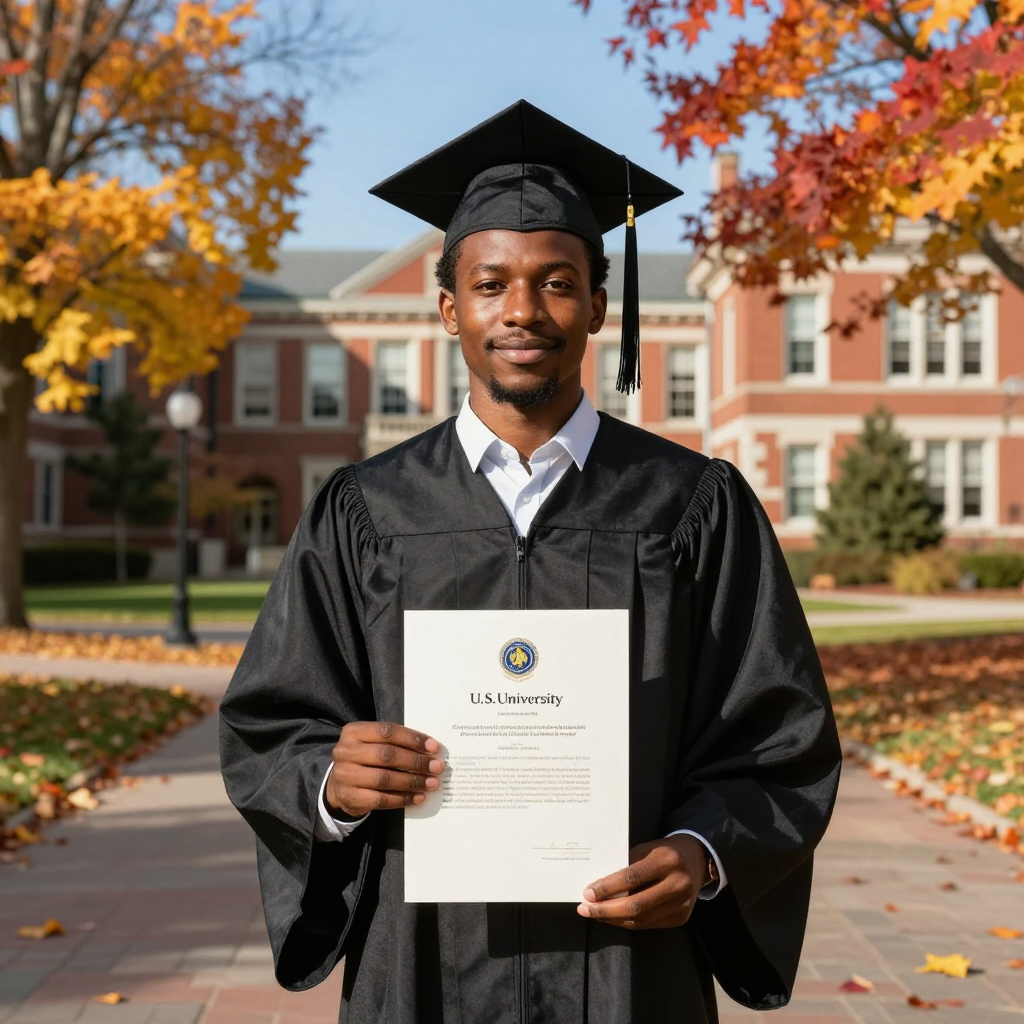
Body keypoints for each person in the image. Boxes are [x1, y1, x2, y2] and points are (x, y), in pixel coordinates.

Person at [220, 100, 842, 1024]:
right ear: (449, 309)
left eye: (556, 282)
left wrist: (704, 854)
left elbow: (780, 735)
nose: (522, 310)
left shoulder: (692, 505)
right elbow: (270, 723)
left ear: (597, 305)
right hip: (422, 959)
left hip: (631, 966)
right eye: (490, 284)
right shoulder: (366, 510)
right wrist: (332, 785)